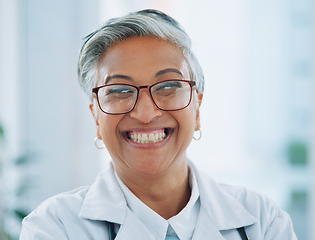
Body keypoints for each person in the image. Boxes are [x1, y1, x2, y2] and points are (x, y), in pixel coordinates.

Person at [20, 9, 297, 240]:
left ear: (197, 107)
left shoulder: (262, 221)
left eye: (168, 86)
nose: (145, 112)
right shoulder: (54, 226)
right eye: (119, 90)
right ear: (96, 117)